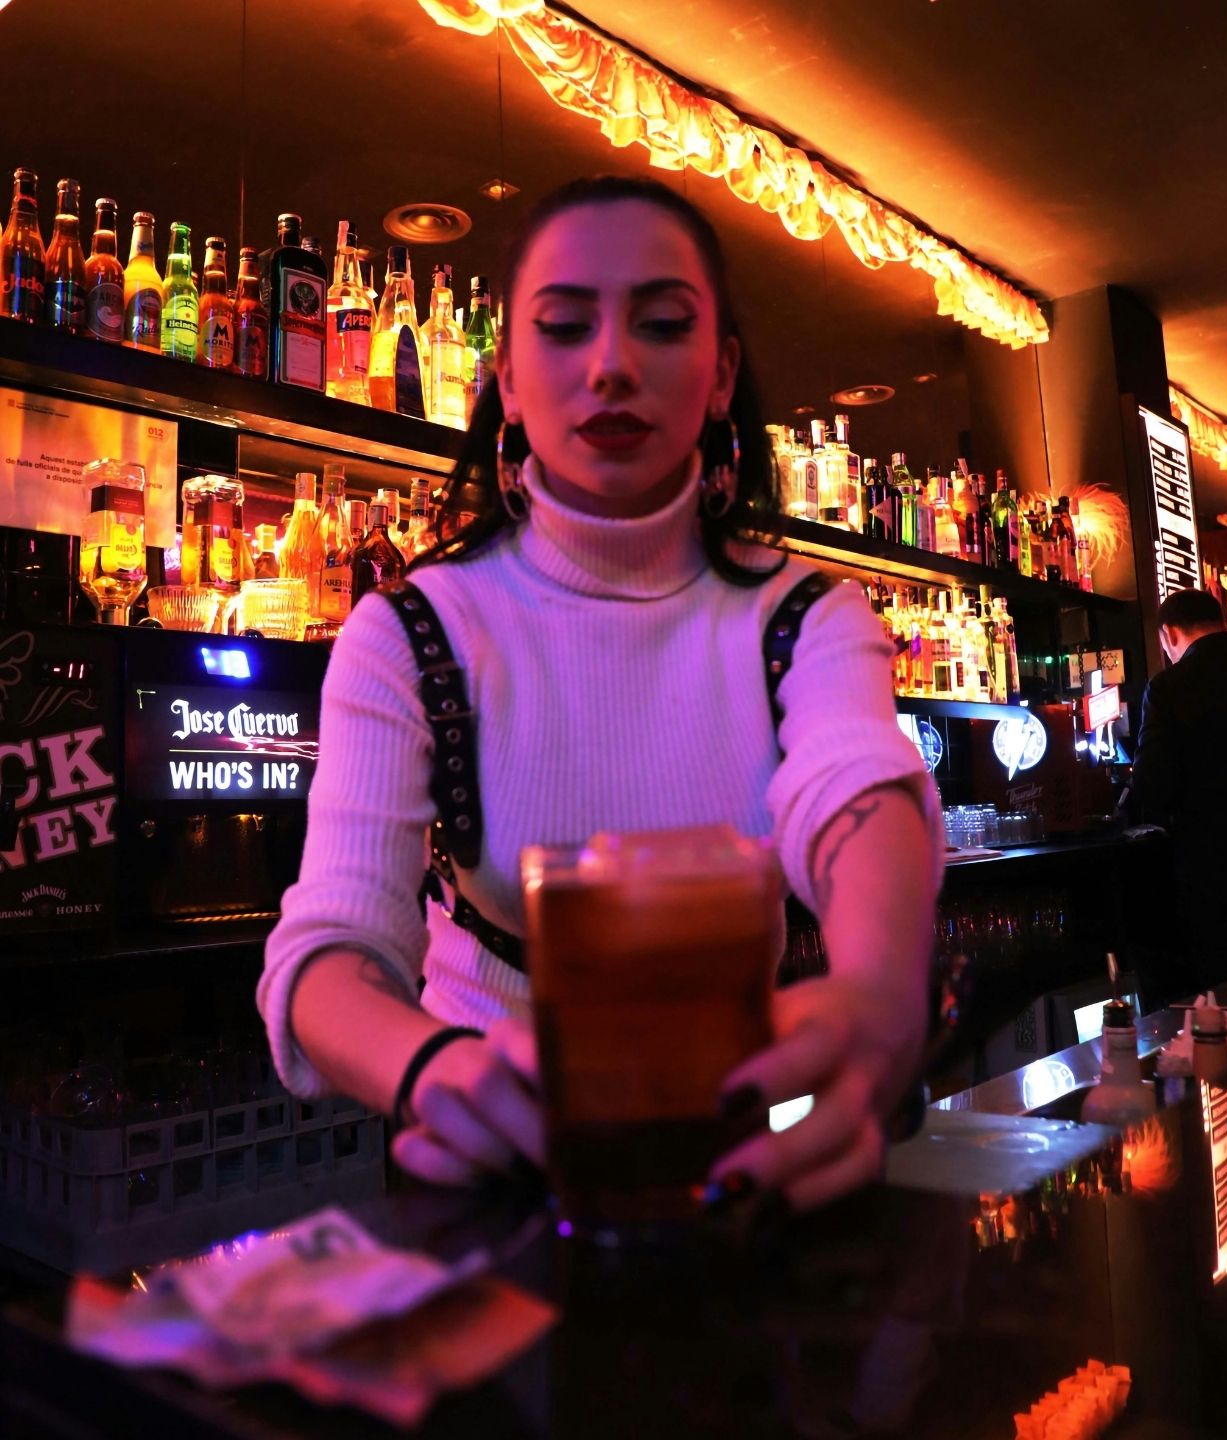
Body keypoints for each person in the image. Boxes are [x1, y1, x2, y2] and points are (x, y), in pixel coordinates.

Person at [257, 175, 942, 1216]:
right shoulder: (409, 632)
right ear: (510, 383)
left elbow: (859, 793)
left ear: (720, 376)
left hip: (731, 1171)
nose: (613, 365)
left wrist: (883, 1002)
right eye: (566, 327)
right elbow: (329, 952)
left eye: (662, 325)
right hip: (486, 1182)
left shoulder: (805, 617)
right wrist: (431, 1068)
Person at [1121, 586, 1227, 995]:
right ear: (1222, 622)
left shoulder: (1169, 687)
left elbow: (1152, 785)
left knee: (1224, 1002)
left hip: (1210, 877)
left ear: (1168, 634)